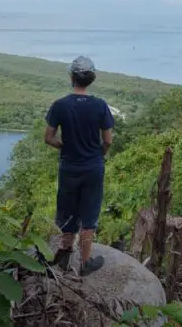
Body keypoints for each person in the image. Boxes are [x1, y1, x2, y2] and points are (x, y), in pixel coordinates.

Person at [44, 55, 114, 276]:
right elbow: (108, 140)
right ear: (91, 79)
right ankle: (85, 262)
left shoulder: (60, 105)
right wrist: (98, 153)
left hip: (69, 167)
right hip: (93, 167)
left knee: (67, 210)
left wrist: (65, 146)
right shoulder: (100, 105)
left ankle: (64, 255)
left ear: (72, 77)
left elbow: (49, 138)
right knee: (89, 214)